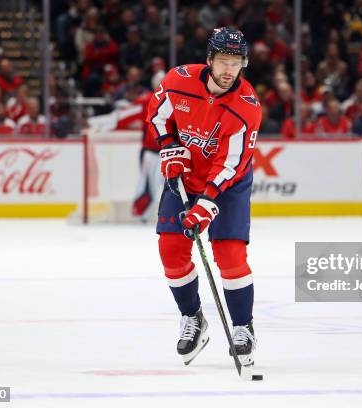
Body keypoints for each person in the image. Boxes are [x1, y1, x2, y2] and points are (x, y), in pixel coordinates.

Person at [146, 27, 261, 367]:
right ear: (209, 59)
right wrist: (170, 147)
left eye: (236, 62)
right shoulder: (178, 80)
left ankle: (243, 327)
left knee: (230, 256)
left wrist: (207, 203)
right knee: (170, 250)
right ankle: (193, 317)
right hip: (184, 176)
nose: (229, 70)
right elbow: (158, 113)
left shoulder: (246, 107)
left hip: (227, 185)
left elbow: (232, 163)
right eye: (223, 61)